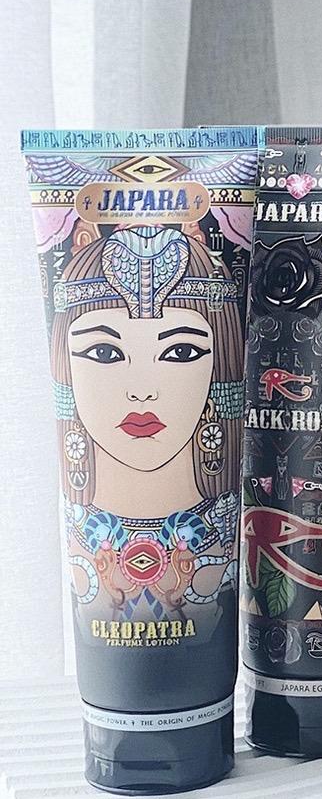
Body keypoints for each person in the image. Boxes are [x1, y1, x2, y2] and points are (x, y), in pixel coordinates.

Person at [49, 224, 244, 620]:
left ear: (220, 370)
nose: (142, 391)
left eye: (181, 352)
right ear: (65, 370)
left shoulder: (222, 532)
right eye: (104, 352)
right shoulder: (78, 534)